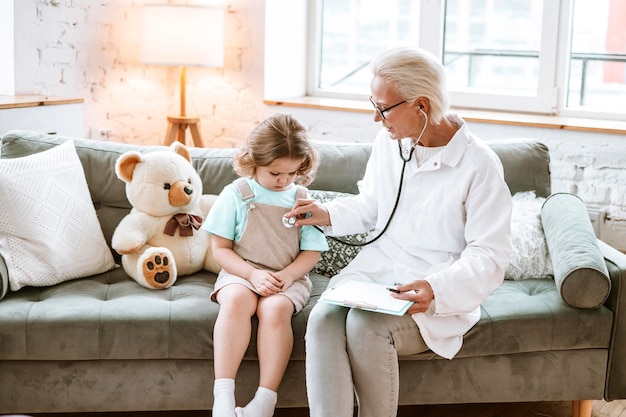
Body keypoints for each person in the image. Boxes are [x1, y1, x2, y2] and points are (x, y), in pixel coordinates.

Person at [285, 47, 513, 417]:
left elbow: (489, 255)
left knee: (365, 326)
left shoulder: (479, 164)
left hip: (433, 282)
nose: (376, 118)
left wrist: (437, 288)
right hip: (378, 271)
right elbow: (373, 206)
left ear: (421, 105)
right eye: (373, 104)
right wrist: (325, 213)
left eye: (383, 108)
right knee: (322, 319)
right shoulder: (390, 144)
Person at [203, 113, 329, 417]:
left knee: (274, 310)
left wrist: (286, 276)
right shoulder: (236, 194)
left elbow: (311, 253)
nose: (284, 180)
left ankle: (265, 400)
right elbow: (220, 249)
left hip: (289, 278)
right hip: (242, 271)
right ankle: (223, 395)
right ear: (253, 161)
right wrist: (252, 274)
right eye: (275, 173)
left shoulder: (302, 198)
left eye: (292, 172)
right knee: (234, 301)